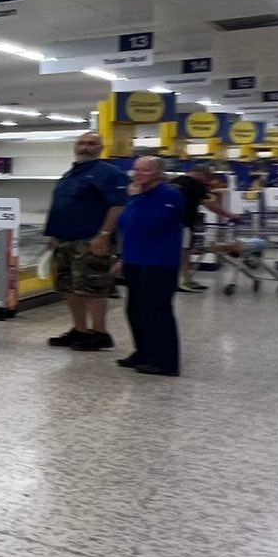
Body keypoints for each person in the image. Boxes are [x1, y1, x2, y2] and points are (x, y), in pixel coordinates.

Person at [44, 129, 127, 350]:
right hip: (64, 239)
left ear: (100, 148)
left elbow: (118, 205)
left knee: (92, 288)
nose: (85, 147)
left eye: (91, 143)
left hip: (90, 239)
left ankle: (99, 333)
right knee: (68, 287)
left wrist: (104, 235)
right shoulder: (72, 173)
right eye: (81, 143)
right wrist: (55, 235)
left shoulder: (108, 173)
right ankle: (79, 330)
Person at [117, 155, 185, 376]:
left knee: (157, 311)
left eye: (144, 170)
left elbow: (151, 223)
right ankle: (143, 352)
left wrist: (136, 200)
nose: (138, 174)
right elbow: (126, 223)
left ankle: (165, 362)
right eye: (136, 170)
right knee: (135, 310)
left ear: (158, 173)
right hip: (135, 259)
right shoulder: (136, 196)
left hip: (159, 262)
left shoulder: (170, 195)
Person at [171, 161, 220, 291]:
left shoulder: (176, 181)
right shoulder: (196, 184)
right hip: (185, 223)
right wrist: (229, 215)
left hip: (172, 223)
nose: (207, 181)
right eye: (207, 177)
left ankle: (186, 279)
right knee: (185, 252)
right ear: (201, 173)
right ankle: (182, 281)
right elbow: (209, 205)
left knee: (181, 252)